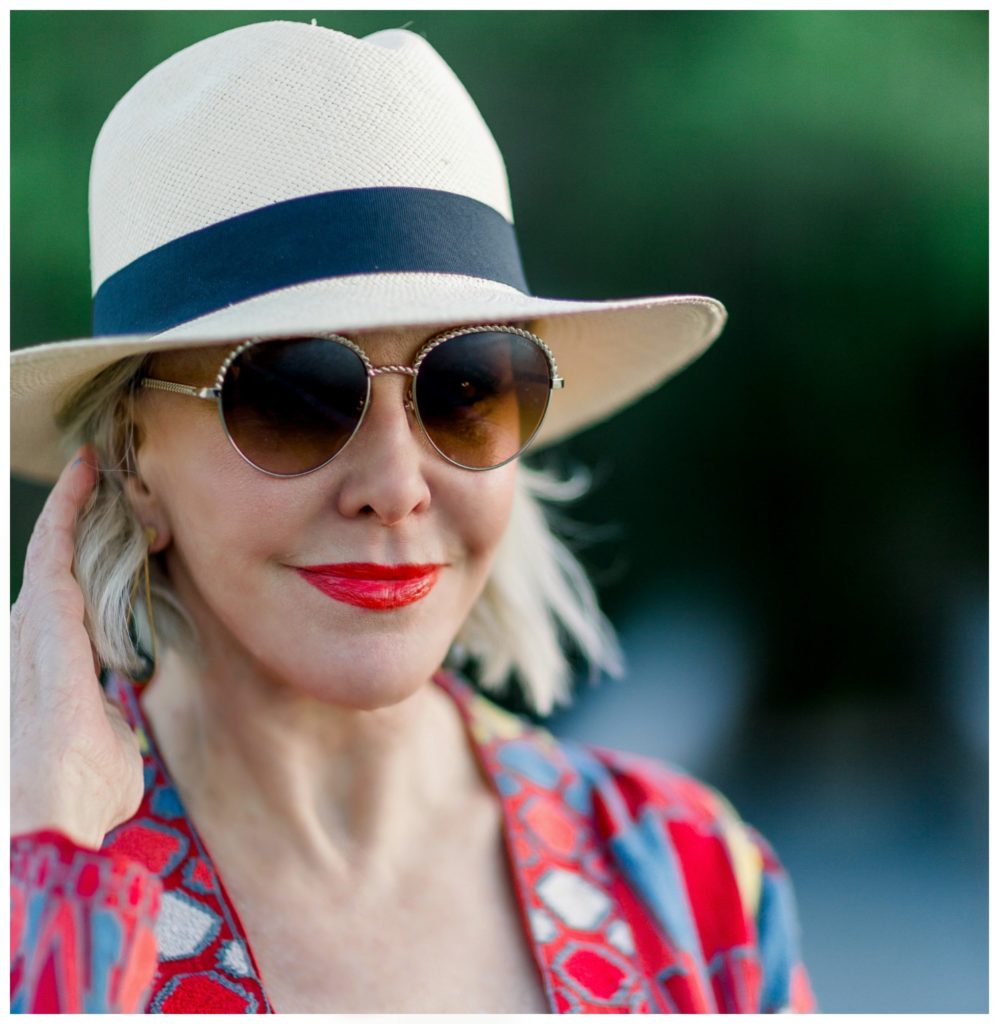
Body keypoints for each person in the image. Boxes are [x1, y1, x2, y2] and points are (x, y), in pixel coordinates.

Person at [10, 20, 815, 1014]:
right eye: (294, 394)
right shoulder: (27, 882)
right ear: (134, 463)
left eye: (468, 385)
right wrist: (48, 864)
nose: (396, 482)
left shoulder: (700, 885)